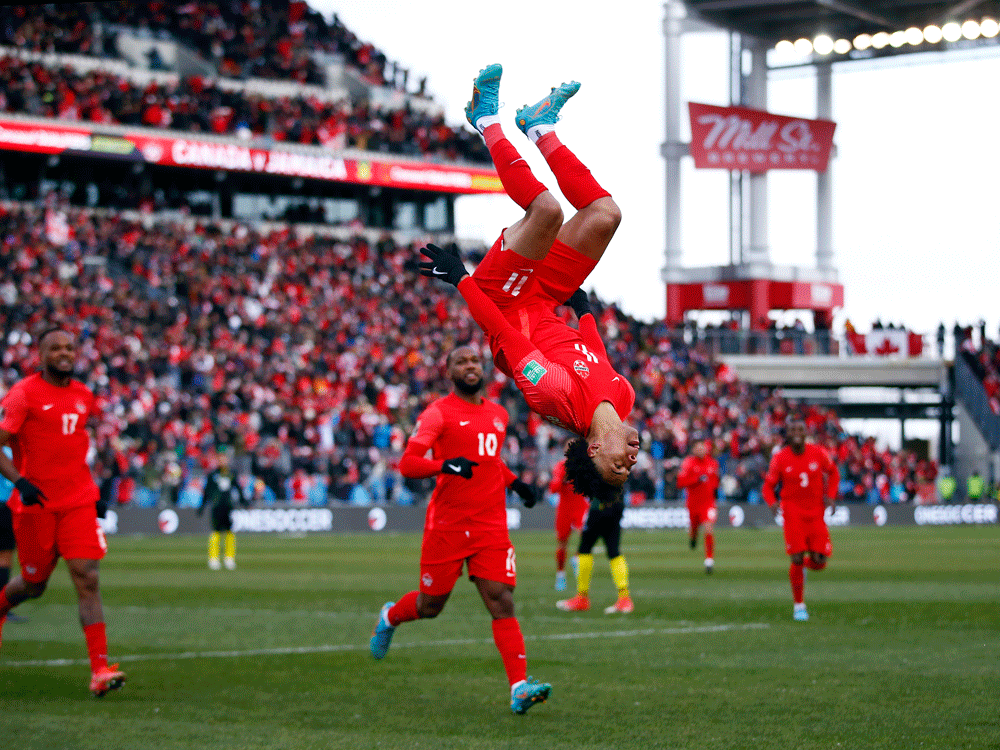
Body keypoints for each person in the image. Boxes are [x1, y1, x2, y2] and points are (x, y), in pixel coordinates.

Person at [419, 63, 638, 511]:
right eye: (629, 470)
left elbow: (502, 332)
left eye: (618, 466)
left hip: (503, 297)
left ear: (594, 449)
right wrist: (585, 311)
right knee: (605, 216)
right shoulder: (624, 397)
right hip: (548, 297)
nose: (630, 461)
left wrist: (460, 277)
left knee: (546, 212)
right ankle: (540, 125)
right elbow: (595, 352)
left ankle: (486, 119)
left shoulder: (553, 396)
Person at [369, 345, 549, 715]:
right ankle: (390, 616)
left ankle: (518, 688)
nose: (470, 366)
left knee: (501, 599)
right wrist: (445, 466)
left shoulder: (498, 414)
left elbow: (491, 460)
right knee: (430, 605)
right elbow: (408, 464)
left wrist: (516, 484)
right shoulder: (438, 414)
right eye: (461, 362)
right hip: (448, 526)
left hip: (490, 524)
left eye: (474, 361)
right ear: (449, 372)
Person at [0, 327, 126, 696]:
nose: (64, 353)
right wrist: (20, 482)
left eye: (69, 347)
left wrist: (92, 493)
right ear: (40, 355)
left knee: (87, 577)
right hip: (36, 505)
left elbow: (73, 447)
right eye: (55, 348)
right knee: (33, 584)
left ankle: (100, 671)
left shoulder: (84, 395)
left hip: (77, 503)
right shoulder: (23, 394)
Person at [762, 418, 839, 622]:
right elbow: (768, 486)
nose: (797, 432)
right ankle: (799, 606)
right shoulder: (780, 458)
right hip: (793, 513)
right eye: (793, 429)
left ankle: (800, 568)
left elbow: (834, 473)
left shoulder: (818, 452)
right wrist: (772, 503)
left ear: (805, 433)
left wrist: (830, 495)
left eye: (800, 429)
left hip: (816, 513)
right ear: (787, 434)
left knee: (820, 561)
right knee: (795, 557)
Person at [555, 473, 633, 614]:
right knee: (613, 550)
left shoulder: (597, 454)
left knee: (584, 548)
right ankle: (624, 598)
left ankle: (582, 597)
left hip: (601, 505)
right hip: (617, 503)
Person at [198, 450, 249, 570]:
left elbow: (238, 488)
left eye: (224, 459)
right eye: (220, 459)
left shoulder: (232, 473)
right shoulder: (212, 475)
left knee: (229, 532)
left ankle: (229, 558)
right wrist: (202, 506)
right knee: (215, 532)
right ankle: (213, 558)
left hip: (228, 506)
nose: (222, 461)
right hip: (216, 507)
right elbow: (207, 492)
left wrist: (244, 501)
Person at [676, 438, 721, 574]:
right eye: (698, 448)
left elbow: (715, 482)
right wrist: (696, 480)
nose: (701, 450)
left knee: (708, 528)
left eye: (703, 447)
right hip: (693, 503)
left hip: (708, 503)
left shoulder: (713, 463)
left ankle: (709, 560)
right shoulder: (688, 463)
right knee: (694, 527)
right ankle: (693, 538)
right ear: (694, 450)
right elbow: (680, 482)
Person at [549, 454, 589, 591]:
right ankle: (560, 575)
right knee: (562, 543)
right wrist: (562, 479)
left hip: (580, 506)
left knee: (587, 536)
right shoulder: (560, 466)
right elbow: (553, 488)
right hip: (565, 509)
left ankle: (577, 558)